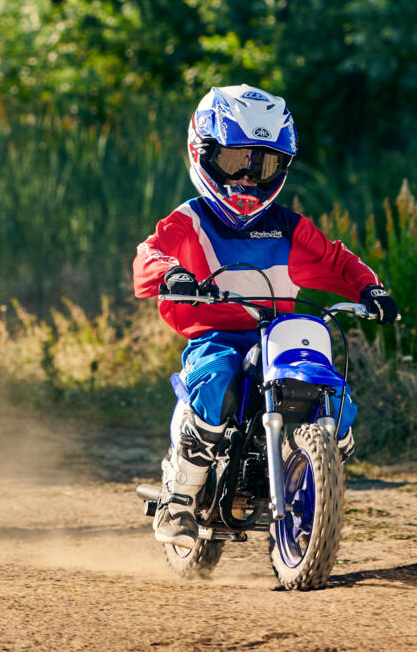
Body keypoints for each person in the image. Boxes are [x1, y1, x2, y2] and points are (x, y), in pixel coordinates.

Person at [131, 85, 398, 547]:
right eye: (238, 161)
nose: (250, 179)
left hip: (282, 337)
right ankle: (178, 498)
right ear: (204, 153)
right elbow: (150, 253)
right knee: (216, 379)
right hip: (218, 336)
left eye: (265, 165)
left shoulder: (291, 228)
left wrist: (370, 288)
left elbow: (336, 260)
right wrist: (172, 274)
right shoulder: (190, 220)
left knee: (339, 396)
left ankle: (317, 471)